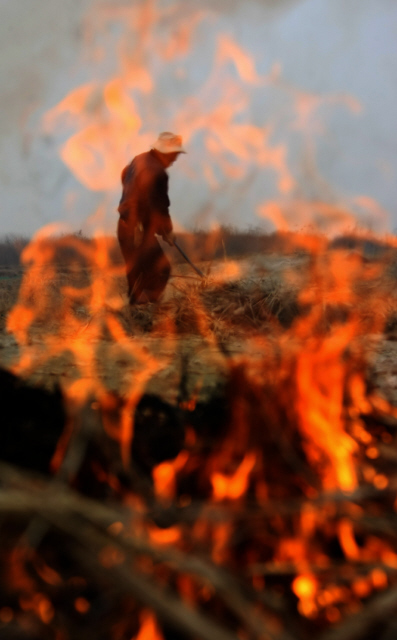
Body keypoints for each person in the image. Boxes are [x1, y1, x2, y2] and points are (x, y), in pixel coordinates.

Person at [117, 131, 186, 304]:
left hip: (124, 226)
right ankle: (146, 313)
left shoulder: (138, 160)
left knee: (136, 276)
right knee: (161, 271)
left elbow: (125, 175)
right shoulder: (158, 172)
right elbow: (159, 206)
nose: (175, 159)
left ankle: (135, 317)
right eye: (174, 154)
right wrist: (167, 231)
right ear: (166, 152)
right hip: (137, 229)